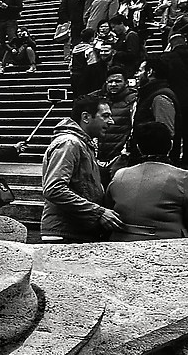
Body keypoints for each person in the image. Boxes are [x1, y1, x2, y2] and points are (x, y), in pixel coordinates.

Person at [38, 94, 124, 243]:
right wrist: (98, 212)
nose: (111, 121)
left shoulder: (82, 143)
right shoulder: (69, 143)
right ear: (86, 117)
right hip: (64, 235)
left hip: (74, 232)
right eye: (105, 116)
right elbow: (54, 189)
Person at [109, 122, 188, 239]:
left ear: (138, 148)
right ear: (171, 145)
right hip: (168, 245)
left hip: (120, 241)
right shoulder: (184, 178)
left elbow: (109, 208)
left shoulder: (120, 175)